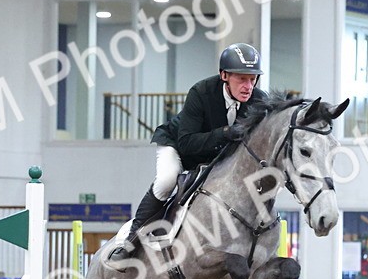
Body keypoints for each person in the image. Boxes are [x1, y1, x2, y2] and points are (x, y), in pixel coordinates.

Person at [108, 42, 268, 263]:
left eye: (252, 79)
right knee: (167, 180)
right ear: (224, 75)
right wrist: (224, 133)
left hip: (216, 157)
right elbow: (186, 143)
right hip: (179, 145)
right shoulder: (201, 92)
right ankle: (129, 243)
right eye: (241, 78)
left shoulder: (259, 100)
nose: (248, 86)